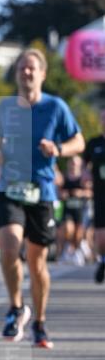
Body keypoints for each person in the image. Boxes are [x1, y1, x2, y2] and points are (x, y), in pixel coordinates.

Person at [0, 48, 84, 347]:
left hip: (42, 190)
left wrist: (58, 150)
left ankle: (40, 322)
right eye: (22, 67)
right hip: (10, 186)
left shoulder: (56, 106)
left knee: (37, 263)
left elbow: (78, 141)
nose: (26, 72)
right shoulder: (6, 107)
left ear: (43, 74)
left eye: (32, 68)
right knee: (8, 247)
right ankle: (15, 308)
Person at [83, 106, 105, 284]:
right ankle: (103, 260)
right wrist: (86, 174)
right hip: (99, 195)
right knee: (100, 238)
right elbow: (84, 166)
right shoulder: (94, 143)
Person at [56, 155, 90, 264]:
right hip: (68, 209)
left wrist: (81, 193)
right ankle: (64, 251)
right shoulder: (64, 178)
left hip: (80, 209)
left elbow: (91, 193)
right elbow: (58, 191)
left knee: (78, 233)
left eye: (75, 163)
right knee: (67, 228)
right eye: (71, 163)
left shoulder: (83, 178)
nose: (73, 165)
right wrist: (63, 194)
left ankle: (76, 250)